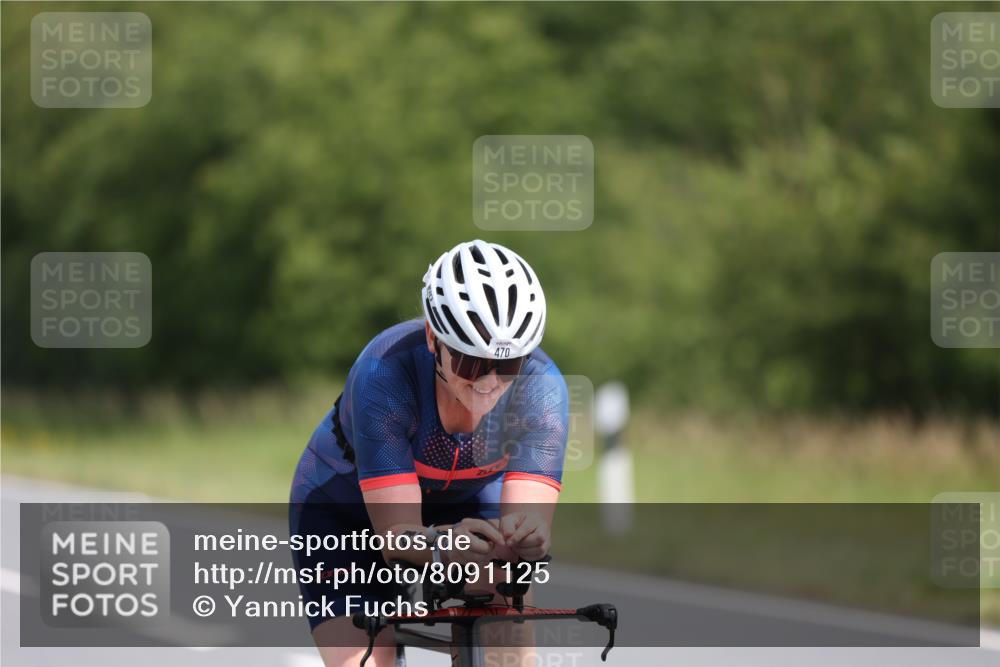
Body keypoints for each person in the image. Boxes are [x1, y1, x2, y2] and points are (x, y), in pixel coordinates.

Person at [289, 239, 569, 667]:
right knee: (365, 661)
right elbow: (397, 538)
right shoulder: (384, 373)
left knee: (509, 639)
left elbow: (526, 539)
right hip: (345, 509)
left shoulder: (542, 390)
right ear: (433, 339)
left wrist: (529, 537)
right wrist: (443, 544)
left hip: (471, 505)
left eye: (508, 365)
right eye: (471, 363)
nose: (488, 382)